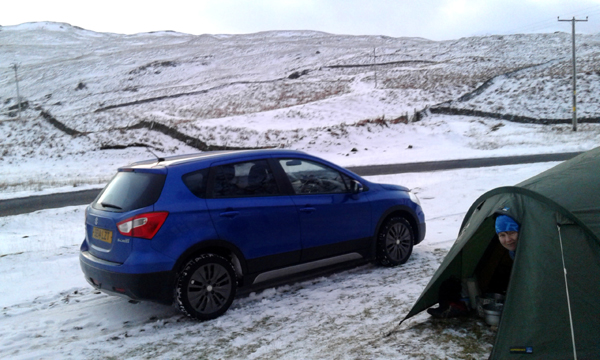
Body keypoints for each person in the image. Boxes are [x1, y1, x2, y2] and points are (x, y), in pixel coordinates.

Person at [427, 214, 520, 319]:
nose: (508, 240)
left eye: (512, 233)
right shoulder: (513, 252)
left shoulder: (530, 252)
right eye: (502, 235)